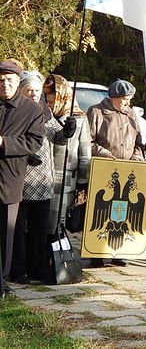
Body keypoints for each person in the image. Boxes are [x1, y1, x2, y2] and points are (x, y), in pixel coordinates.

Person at [10, 71, 75, 284]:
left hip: (43, 181)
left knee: (39, 230)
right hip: (20, 179)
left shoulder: (44, 112)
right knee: (18, 230)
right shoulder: (16, 111)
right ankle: (18, 270)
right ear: (21, 90)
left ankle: (36, 268)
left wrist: (67, 132)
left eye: (37, 91)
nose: (33, 95)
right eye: (29, 90)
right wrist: (26, 155)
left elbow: (57, 138)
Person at [87, 79, 143, 267]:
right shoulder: (96, 112)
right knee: (102, 210)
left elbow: (138, 142)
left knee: (122, 211)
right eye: (125, 99)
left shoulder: (132, 114)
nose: (127, 103)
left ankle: (119, 252)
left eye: (129, 99)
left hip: (127, 169)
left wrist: (136, 158)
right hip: (104, 169)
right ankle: (97, 252)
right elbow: (88, 141)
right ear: (114, 98)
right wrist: (106, 154)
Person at [0, 61, 45, 287]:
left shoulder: (32, 110)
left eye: (9, 80)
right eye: (1, 80)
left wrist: (4, 143)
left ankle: (3, 279)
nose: (4, 84)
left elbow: (35, 141)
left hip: (9, 178)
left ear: (18, 82)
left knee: (7, 234)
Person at [43, 74, 92, 235]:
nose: (48, 105)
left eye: (51, 101)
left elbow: (85, 153)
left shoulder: (79, 119)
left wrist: (83, 182)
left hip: (65, 181)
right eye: (47, 101)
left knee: (57, 226)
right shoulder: (43, 116)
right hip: (43, 178)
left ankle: (55, 255)